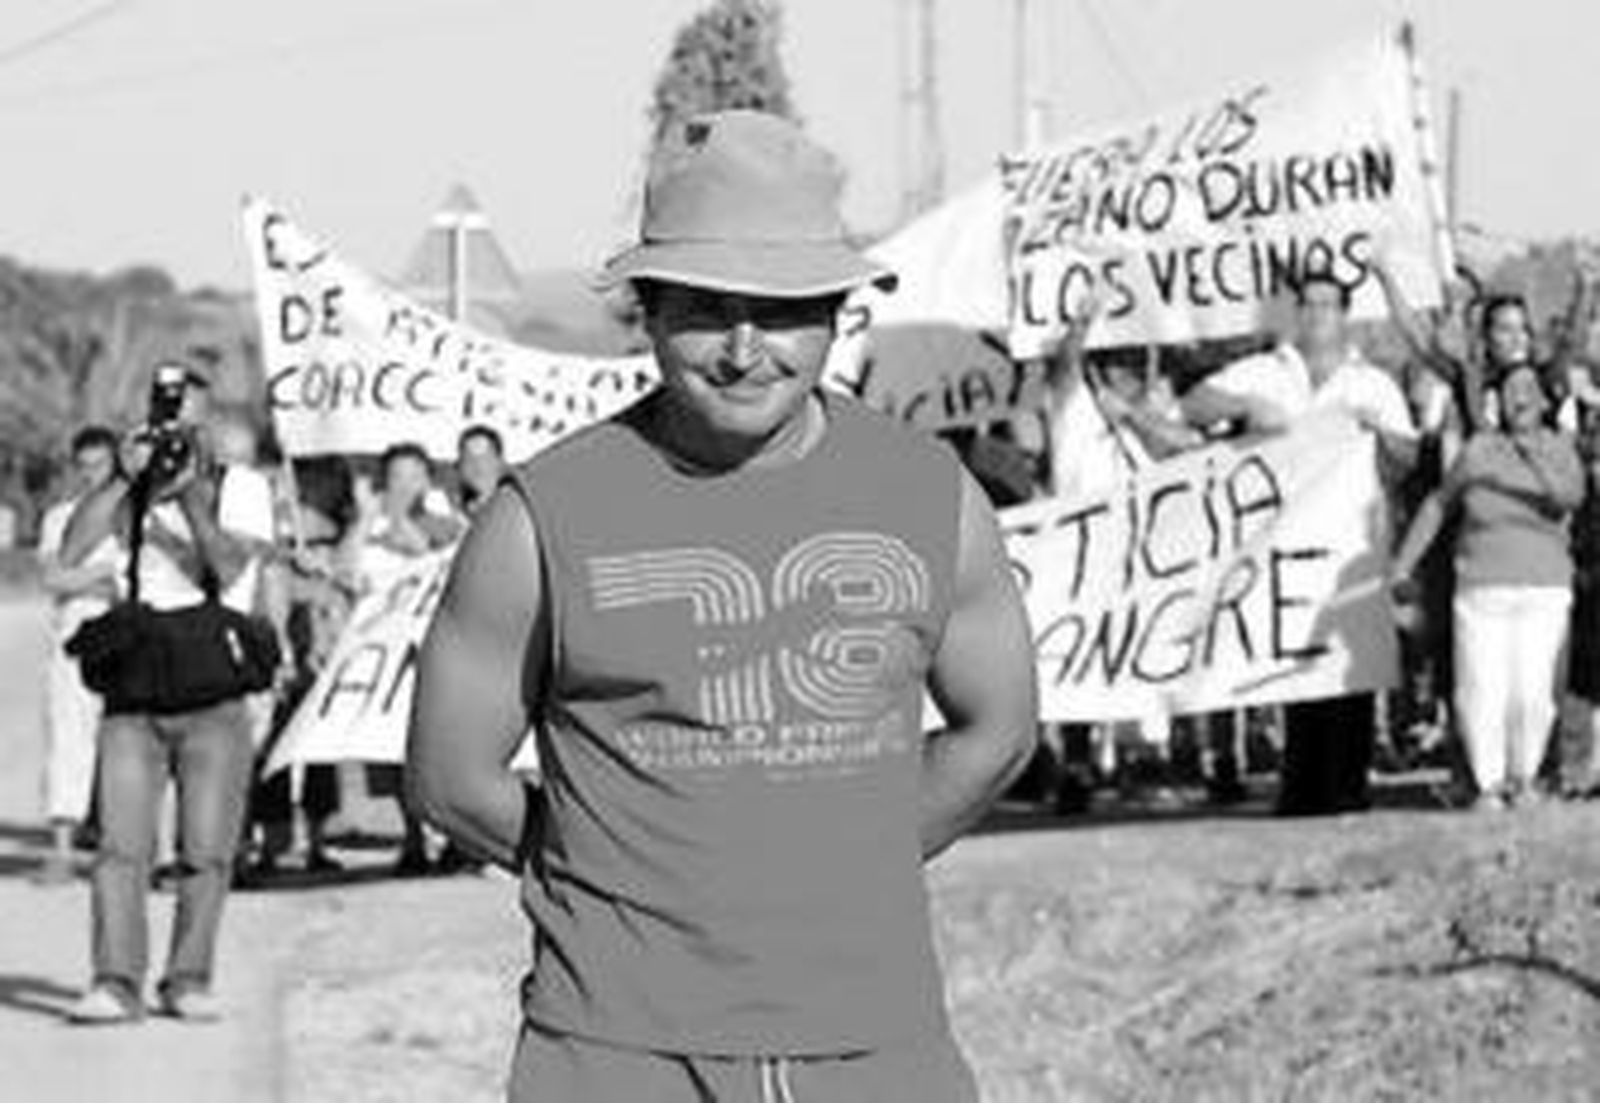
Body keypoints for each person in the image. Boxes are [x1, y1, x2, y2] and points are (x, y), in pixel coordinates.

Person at [407, 110, 1037, 1102]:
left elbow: (997, 730)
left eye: (782, 311)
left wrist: (840, 862)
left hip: (875, 1045)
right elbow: (450, 779)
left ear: (836, 312)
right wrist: (617, 879)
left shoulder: (933, 497)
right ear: (649, 309)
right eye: (706, 307)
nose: (746, 349)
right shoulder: (536, 521)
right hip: (613, 1052)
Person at [59, 359, 276, 1024]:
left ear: (210, 418)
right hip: (137, 687)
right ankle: (115, 981)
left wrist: (189, 496)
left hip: (213, 687)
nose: (176, 430)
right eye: (166, 415)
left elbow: (230, 566)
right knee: (121, 847)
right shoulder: (133, 484)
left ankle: (187, 979)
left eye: (187, 415)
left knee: (207, 850)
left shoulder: (239, 486)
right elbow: (71, 550)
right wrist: (126, 479)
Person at [1182, 271, 1419, 815]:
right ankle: (1302, 785)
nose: (1316, 315)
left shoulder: (1371, 383)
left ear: (1344, 314)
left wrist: (1377, 434)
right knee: (1296, 665)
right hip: (1281, 544)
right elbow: (1193, 405)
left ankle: (1348, 783)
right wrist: (1243, 408)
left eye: (1327, 305)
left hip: (1351, 544)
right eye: (1307, 305)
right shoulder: (1266, 371)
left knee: (1350, 668)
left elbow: (1407, 458)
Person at [1391, 363, 1585, 809]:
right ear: (1498, 401)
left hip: (1544, 587)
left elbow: (1568, 496)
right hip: (1481, 585)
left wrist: (1529, 454)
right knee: (1481, 688)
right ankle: (1488, 783)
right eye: (1510, 389)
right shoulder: (1478, 450)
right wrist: (1402, 565)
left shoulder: (1558, 448)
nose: (1520, 397)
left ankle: (1525, 777)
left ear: (1544, 401)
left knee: (1534, 693)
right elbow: (1439, 504)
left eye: (1529, 389)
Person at [351, 441, 463, 874]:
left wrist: (399, 519)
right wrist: (366, 519)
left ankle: (455, 838)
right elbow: (346, 568)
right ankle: (413, 838)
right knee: (392, 750)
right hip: (383, 657)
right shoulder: (370, 524)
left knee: (440, 747)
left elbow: (438, 561)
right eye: (397, 476)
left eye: (414, 476)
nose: (405, 485)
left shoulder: (445, 522)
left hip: (431, 649)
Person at [34, 426, 123, 884]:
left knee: (123, 742)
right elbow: (53, 579)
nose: (92, 475)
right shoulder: (60, 517)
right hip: (74, 635)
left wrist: (82, 575)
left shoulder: (132, 515)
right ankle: (62, 850)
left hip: (125, 637)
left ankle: (118, 847)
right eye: (84, 467)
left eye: (100, 465)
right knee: (68, 737)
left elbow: (128, 582)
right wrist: (104, 574)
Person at [454, 423, 508, 517]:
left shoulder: (513, 506)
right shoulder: (452, 511)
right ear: (460, 467)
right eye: (469, 459)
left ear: (500, 462)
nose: (477, 466)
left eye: (485, 459)